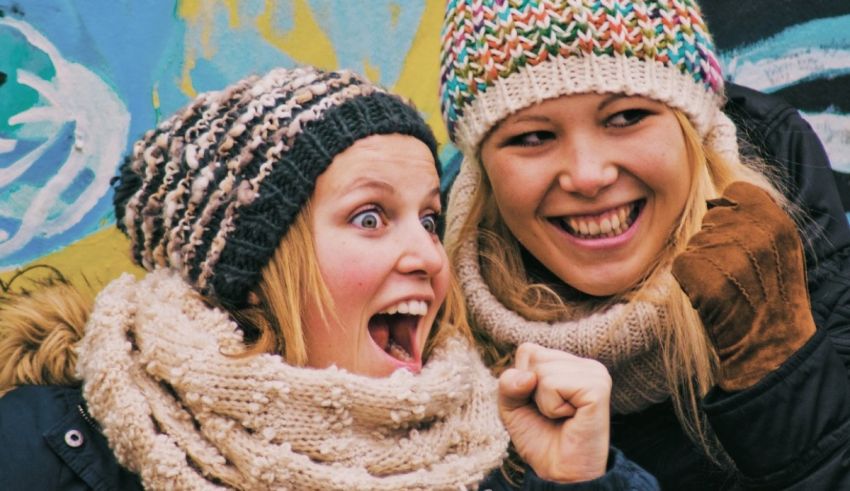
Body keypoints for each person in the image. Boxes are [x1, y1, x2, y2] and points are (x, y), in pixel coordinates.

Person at [0, 66, 659, 490]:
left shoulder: (500, 450)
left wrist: (580, 479)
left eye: (429, 218)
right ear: (251, 269)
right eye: (371, 216)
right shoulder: (55, 450)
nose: (429, 257)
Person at [439, 0, 850, 489]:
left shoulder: (803, 261)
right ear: (483, 170)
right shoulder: (432, 340)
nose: (588, 176)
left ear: (691, 132)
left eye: (626, 116)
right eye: (532, 137)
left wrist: (781, 374)